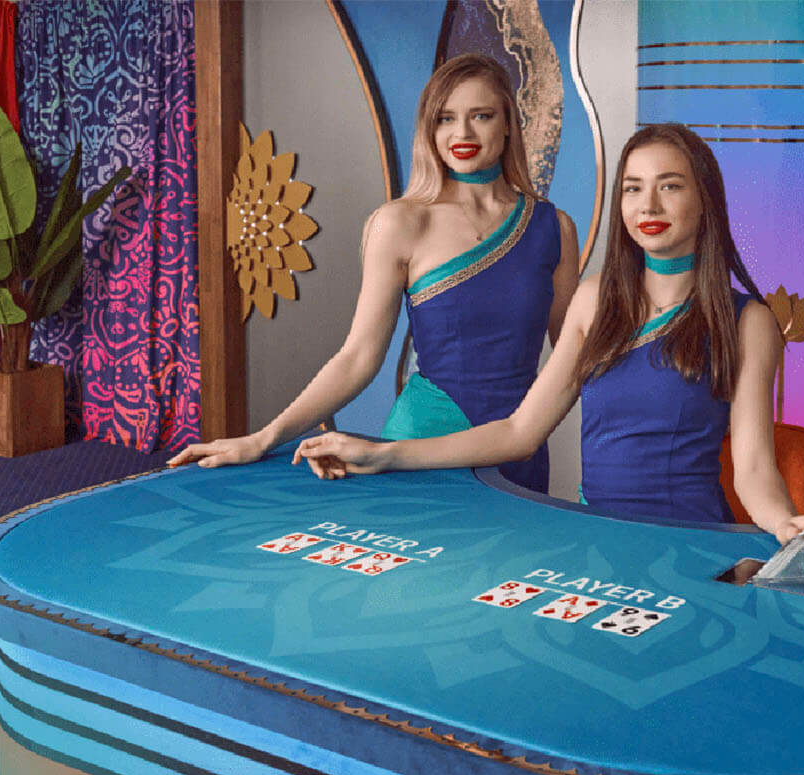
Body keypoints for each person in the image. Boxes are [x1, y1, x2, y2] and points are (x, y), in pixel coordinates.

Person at [292, 123, 804, 543]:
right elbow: (519, 432)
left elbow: (752, 469)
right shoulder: (595, 300)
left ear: (706, 199)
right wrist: (382, 455)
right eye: (633, 187)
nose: (648, 204)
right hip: (592, 536)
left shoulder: (747, 320)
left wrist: (787, 525)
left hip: (689, 541)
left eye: (671, 186)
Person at [167, 54, 579, 493]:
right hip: (417, 446)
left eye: (481, 116)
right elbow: (358, 357)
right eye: (445, 118)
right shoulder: (402, 222)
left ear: (509, 124)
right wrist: (263, 439)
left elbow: (576, 361)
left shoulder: (554, 228)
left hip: (518, 449)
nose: (462, 133)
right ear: (429, 128)